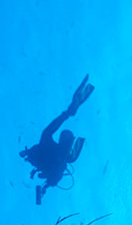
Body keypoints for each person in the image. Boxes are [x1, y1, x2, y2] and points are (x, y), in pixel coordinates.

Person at [21, 75, 94, 204]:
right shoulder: (44, 148)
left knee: (67, 154)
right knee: (67, 154)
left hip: (60, 156)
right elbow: (50, 129)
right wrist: (47, 185)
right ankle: (71, 111)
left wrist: (65, 115)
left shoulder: (44, 148)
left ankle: (71, 112)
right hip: (60, 156)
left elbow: (49, 129)